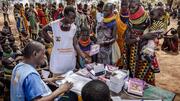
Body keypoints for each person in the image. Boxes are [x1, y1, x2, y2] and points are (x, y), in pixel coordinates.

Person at [42, 6, 91, 76]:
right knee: (57, 81)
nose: (73, 20)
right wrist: (52, 40)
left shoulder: (73, 27)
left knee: (69, 80)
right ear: (65, 15)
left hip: (69, 61)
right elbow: (43, 30)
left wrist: (84, 57)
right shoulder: (54, 25)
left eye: (74, 18)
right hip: (58, 61)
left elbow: (76, 44)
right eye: (71, 18)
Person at [124, 0, 158, 85]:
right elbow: (127, 41)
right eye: (129, 7)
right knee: (133, 71)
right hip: (132, 50)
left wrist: (154, 37)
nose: (130, 9)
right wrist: (142, 37)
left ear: (139, 5)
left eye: (133, 7)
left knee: (145, 72)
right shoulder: (130, 20)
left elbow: (153, 34)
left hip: (145, 50)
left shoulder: (147, 19)